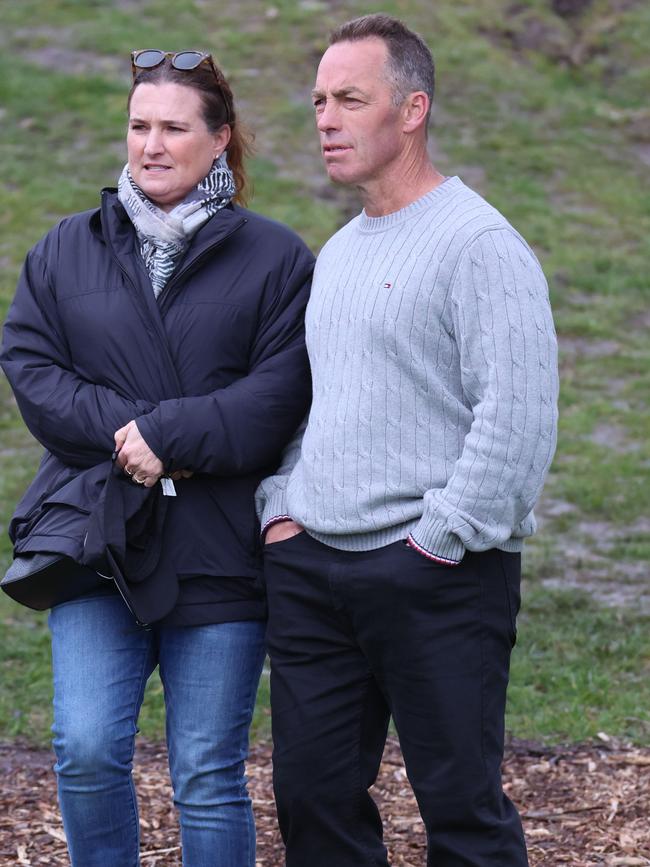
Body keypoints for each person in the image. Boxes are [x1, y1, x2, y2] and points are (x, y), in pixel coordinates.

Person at [256, 14, 559, 867]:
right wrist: (285, 508)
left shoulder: (479, 244)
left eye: (350, 99)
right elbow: (317, 402)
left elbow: (520, 413)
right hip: (315, 573)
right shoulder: (343, 252)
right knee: (313, 803)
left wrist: (440, 536)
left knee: (460, 812)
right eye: (318, 99)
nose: (325, 118)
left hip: (438, 573)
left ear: (413, 109)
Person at [0, 49, 313, 867]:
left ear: (220, 140)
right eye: (140, 125)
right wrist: (134, 435)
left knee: (208, 774)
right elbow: (32, 369)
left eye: (174, 127)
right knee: (87, 747)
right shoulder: (65, 249)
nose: (152, 144)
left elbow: (281, 392)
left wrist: (168, 438)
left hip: (219, 555)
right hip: (96, 545)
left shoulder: (278, 259)